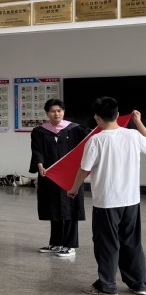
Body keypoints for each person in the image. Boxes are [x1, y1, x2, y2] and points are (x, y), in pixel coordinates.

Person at [67, 99, 146, 295]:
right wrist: (138, 122)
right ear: (117, 114)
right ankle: (139, 283)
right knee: (132, 243)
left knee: (107, 243)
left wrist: (74, 189)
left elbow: (84, 169)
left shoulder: (96, 140)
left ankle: (107, 286)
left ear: (96, 117)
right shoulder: (133, 135)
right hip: (131, 200)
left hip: (107, 201)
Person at [30, 99, 88, 258]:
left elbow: (93, 140)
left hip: (70, 176)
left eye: (59, 111)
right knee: (53, 208)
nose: (56, 114)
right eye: (52, 111)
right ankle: (56, 243)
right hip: (49, 175)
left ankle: (70, 245)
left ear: (63, 112)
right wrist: (39, 164)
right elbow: (37, 150)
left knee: (70, 208)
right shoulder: (39, 131)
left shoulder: (76, 129)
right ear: (47, 113)